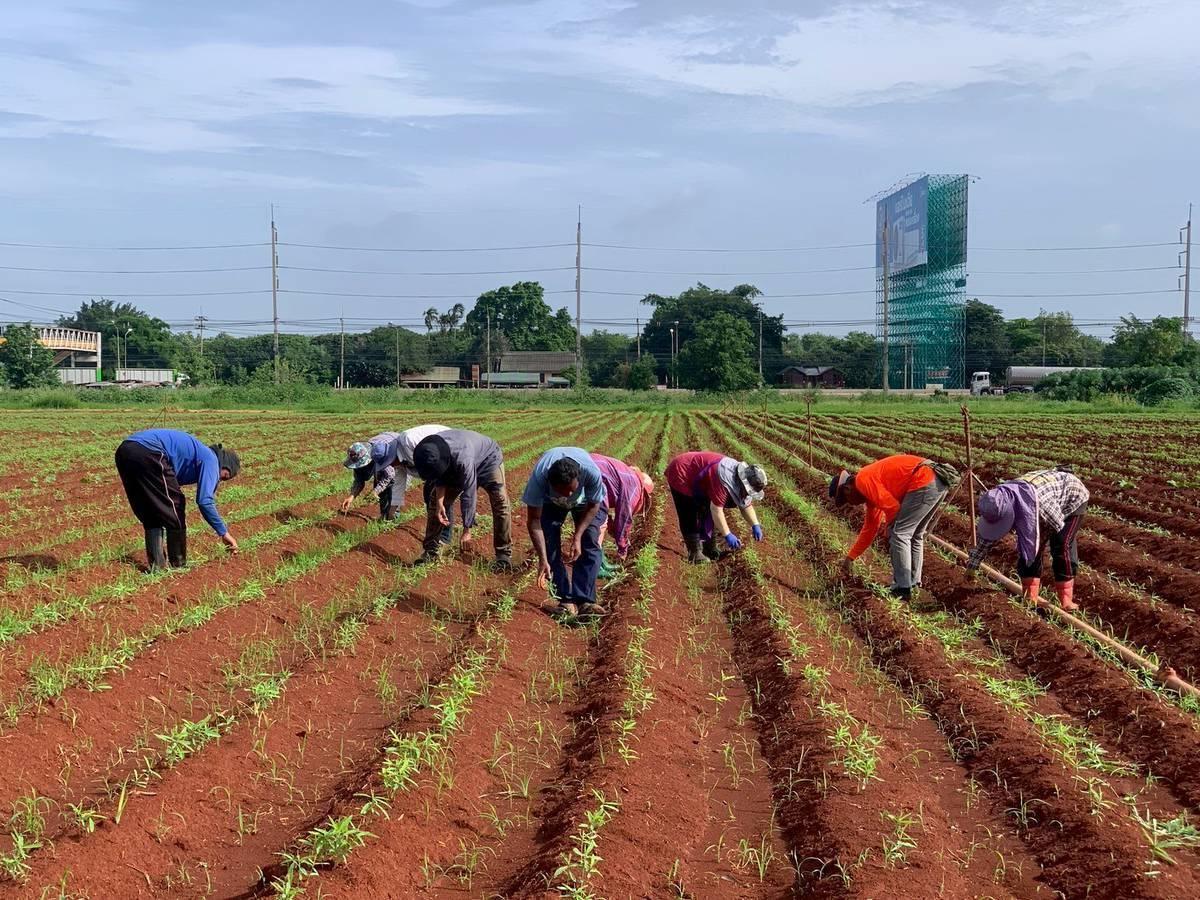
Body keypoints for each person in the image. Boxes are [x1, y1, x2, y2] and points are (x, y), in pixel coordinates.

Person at [114, 428, 240, 571]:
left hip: (125, 451)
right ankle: (178, 566)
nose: (219, 480)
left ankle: (157, 567)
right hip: (149, 451)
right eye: (224, 476)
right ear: (223, 465)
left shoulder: (199, 454)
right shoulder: (211, 459)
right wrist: (223, 533)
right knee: (176, 505)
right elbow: (204, 500)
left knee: (152, 508)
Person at [830, 454, 952, 600]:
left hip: (924, 479)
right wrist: (850, 557)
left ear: (848, 489)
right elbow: (870, 529)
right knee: (915, 534)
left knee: (900, 533)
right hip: (937, 479)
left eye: (848, 501)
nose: (852, 504)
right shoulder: (869, 492)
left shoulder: (863, 480)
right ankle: (912, 583)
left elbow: (893, 508)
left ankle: (902, 588)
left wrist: (889, 531)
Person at [966, 468, 1089, 611]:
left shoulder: (1040, 507)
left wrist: (1037, 546)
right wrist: (972, 566)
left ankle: (1066, 601)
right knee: (1029, 547)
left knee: (1061, 545)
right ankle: (1030, 597)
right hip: (1042, 493)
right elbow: (986, 538)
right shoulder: (997, 501)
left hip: (1071, 496)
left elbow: (1050, 530)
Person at [411, 429, 514, 570]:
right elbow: (439, 475)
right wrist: (441, 502)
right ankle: (430, 551)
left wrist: (467, 530)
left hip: (488, 460)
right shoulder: (431, 448)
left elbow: (469, 493)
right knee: (435, 501)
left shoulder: (463, 459)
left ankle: (503, 555)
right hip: (454, 462)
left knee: (500, 502)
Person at [523, 448, 608, 618]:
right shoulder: (539, 480)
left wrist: (577, 535)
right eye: (563, 491)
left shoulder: (590, 472)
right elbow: (534, 521)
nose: (569, 496)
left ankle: (585, 601)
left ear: (578, 478)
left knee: (589, 540)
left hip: (585, 503)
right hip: (551, 503)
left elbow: (594, 505)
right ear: (551, 484)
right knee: (549, 544)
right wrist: (543, 559)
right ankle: (565, 600)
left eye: (571, 490)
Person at [665, 451, 766, 564]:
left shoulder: (743, 480)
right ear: (743, 482)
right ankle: (694, 553)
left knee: (705, 511)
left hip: (700, 480)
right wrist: (727, 535)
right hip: (682, 472)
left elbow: (746, 505)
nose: (747, 494)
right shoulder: (723, 479)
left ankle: (710, 549)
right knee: (689, 513)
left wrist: (755, 525)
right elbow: (717, 510)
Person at [341, 425, 449, 521]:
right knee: (381, 482)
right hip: (408, 454)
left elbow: (390, 476)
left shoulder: (385, 454)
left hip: (406, 453)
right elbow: (359, 478)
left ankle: (392, 515)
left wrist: (376, 491)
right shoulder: (362, 456)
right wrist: (351, 496)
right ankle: (386, 516)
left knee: (389, 485)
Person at [590, 453, 654, 576]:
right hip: (593, 476)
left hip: (589, 470)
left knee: (598, 520)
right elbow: (624, 518)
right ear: (644, 492)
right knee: (599, 525)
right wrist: (622, 549)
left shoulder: (628, 476)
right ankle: (594, 566)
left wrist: (612, 525)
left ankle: (601, 562)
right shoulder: (635, 487)